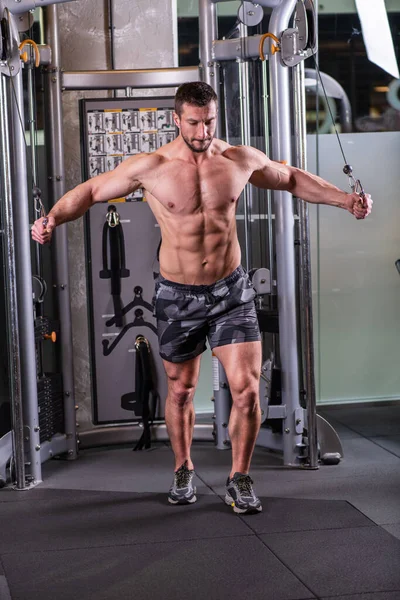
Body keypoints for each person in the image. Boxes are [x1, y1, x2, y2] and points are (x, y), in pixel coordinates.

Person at [32, 81, 373, 515]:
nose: (203, 130)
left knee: (247, 391)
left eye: (210, 120)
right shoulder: (150, 167)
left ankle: (240, 478)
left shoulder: (238, 159)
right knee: (180, 391)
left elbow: (289, 178)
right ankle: (183, 467)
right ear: (177, 119)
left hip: (231, 291)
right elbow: (91, 191)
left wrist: (345, 200)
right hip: (177, 296)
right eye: (194, 122)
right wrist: (51, 219)